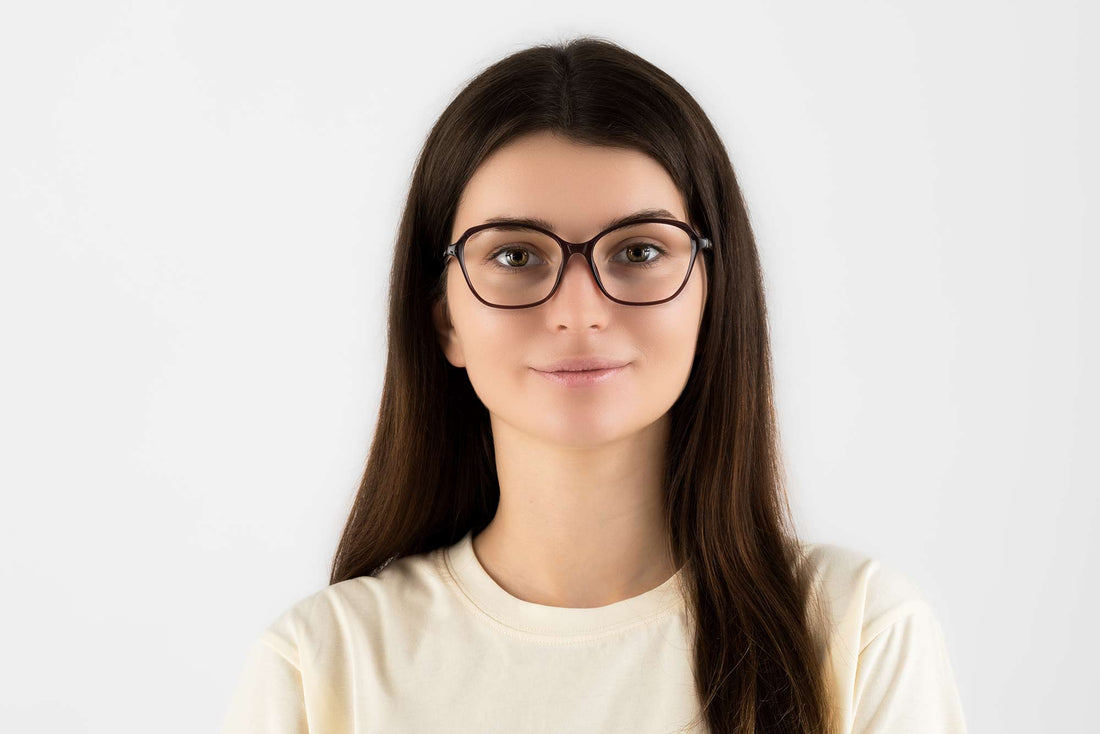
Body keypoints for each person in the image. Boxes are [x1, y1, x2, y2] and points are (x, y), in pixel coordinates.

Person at [219, 37, 968, 734]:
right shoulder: (324, 663)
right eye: (515, 257)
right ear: (442, 318)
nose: (579, 312)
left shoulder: (856, 630)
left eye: (639, 249)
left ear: (715, 296)